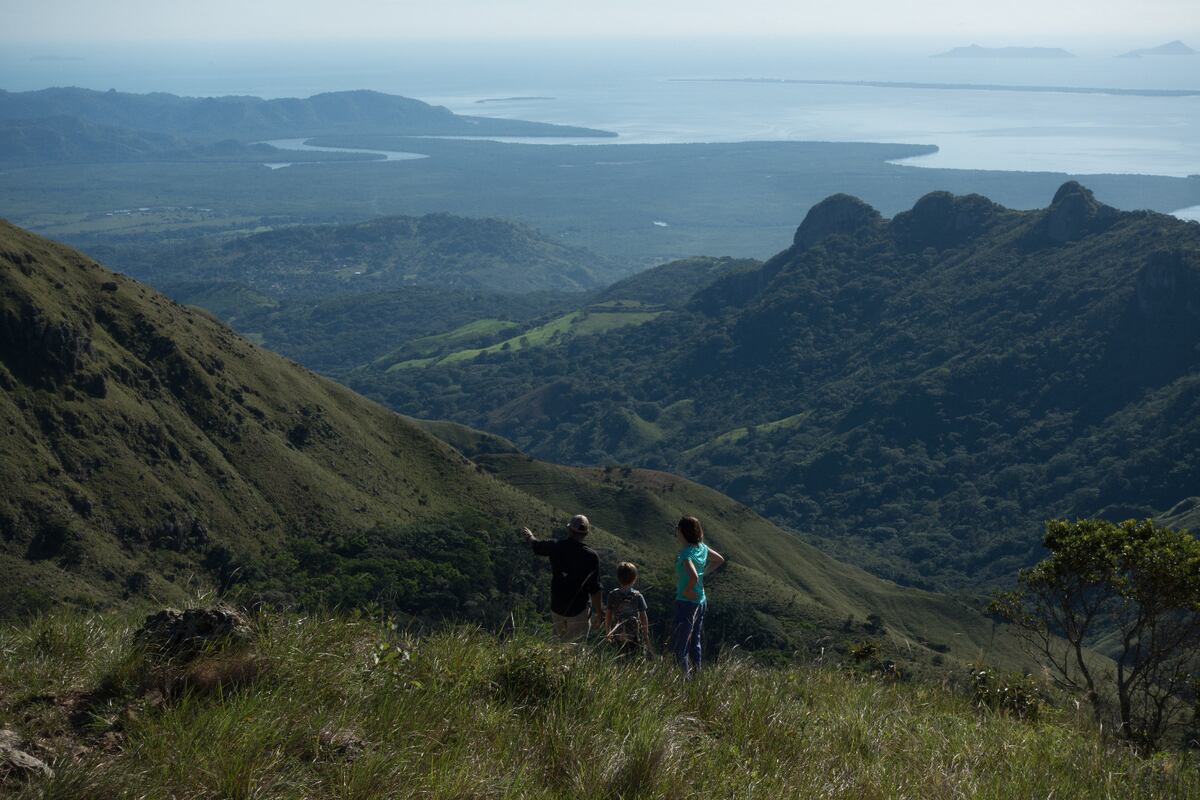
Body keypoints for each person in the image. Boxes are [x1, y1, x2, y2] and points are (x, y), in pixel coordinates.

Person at [522, 514, 602, 642]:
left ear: (569, 530)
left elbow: (537, 547)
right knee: (575, 649)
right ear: (586, 533)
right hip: (578, 610)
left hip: (557, 607)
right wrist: (599, 613)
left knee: (557, 642)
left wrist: (530, 536)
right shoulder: (591, 556)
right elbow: (595, 589)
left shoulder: (556, 546)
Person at [670, 515, 725, 676]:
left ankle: (684, 681)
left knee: (681, 646)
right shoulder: (702, 547)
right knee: (695, 641)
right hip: (701, 600)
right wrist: (703, 574)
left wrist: (688, 589)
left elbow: (693, 576)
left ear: (680, 531)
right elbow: (719, 560)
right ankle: (696, 676)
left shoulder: (686, 554)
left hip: (687, 602)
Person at [605, 561, 650, 657]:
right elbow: (643, 616)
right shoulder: (638, 595)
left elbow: (608, 614)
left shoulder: (612, 594)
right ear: (634, 578)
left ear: (618, 578)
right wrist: (646, 634)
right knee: (635, 657)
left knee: (618, 657)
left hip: (617, 633)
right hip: (634, 634)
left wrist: (608, 631)